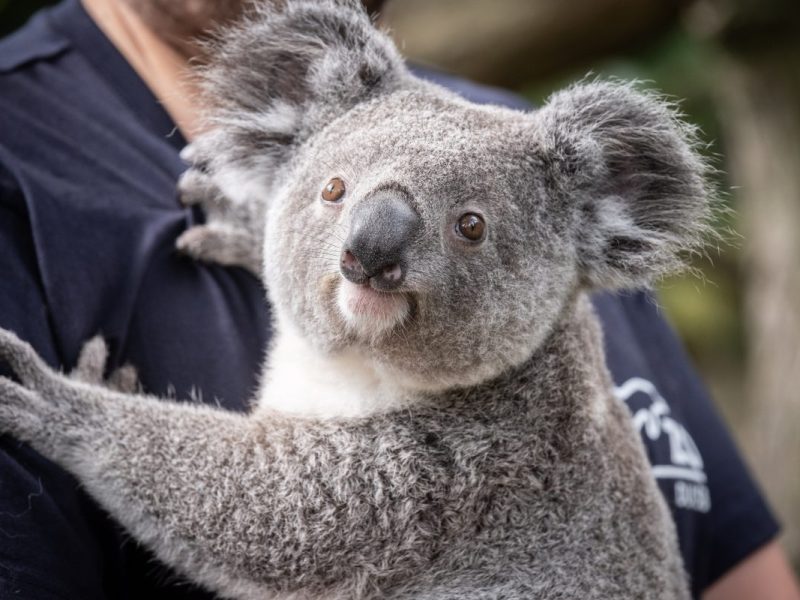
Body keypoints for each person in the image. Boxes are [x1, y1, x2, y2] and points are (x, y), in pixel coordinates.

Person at [0, 0, 796, 598]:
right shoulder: (25, 163)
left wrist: (73, 419)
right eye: (333, 195)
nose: (365, 249)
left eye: (472, 229)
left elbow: (281, 513)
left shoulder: (533, 194)